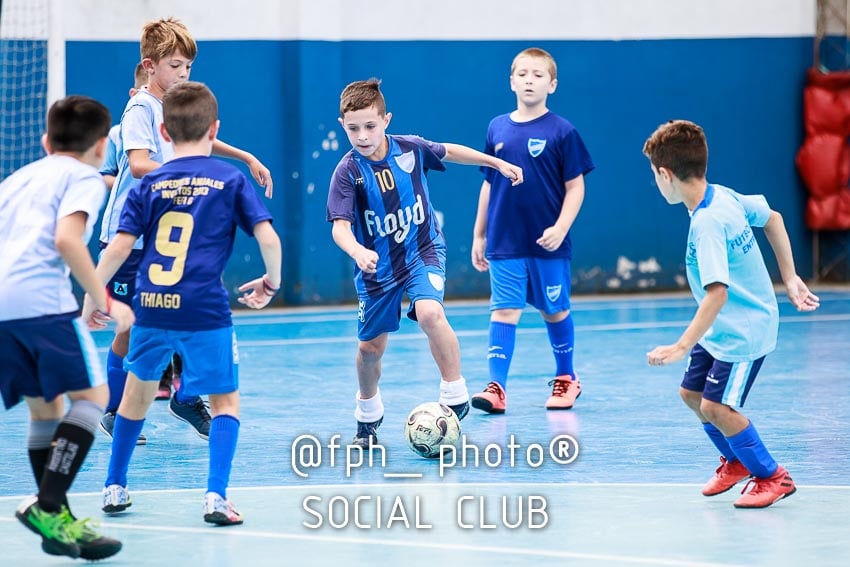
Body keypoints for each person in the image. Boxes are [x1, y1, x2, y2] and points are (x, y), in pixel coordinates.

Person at [84, 81, 282, 525]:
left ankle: (114, 486)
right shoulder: (229, 178)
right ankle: (216, 497)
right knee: (226, 402)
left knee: (134, 398)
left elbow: (117, 248)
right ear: (215, 129)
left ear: (164, 133)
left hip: (150, 305)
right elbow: (267, 236)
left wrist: (93, 296)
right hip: (204, 308)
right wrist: (272, 281)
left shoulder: (149, 181)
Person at [98, 17, 274, 443]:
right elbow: (139, 164)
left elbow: (198, 141)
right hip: (131, 235)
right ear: (150, 65)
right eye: (175, 66)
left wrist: (243, 156)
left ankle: (184, 396)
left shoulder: (172, 106)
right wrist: (190, 176)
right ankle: (114, 410)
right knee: (132, 327)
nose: (183, 75)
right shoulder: (140, 107)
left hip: (162, 237)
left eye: (188, 68)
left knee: (177, 311)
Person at [326, 78, 524, 448]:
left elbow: (450, 151)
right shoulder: (347, 172)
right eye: (353, 128)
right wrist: (357, 251)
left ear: (386, 119)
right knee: (370, 351)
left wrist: (496, 162)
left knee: (431, 313)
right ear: (343, 126)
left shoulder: (410, 149)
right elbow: (340, 229)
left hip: (422, 251)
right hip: (376, 268)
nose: (363, 135)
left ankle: (454, 394)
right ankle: (367, 414)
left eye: (370, 125)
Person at [642, 119, 820, 508]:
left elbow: (716, 294)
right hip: (723, 329)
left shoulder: (707, 222)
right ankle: (736, 461)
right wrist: (789, 278)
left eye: (655, 177)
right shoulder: (721, 195)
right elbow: (774, 218)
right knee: (691, 394)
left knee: (715, 406)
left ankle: (773, 476)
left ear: (665, 174)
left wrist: (680, 346)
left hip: (744, 330)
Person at [0, 96, 134, 560]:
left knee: (45, 410)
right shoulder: (83, 177)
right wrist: (105, 299)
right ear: (102, 147)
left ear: (45, 140)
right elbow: (66, 239)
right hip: (42, 303)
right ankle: (48, 504)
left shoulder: (17, 179)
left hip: (4, 307)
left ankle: (57, 523)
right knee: (93, 401)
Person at [469, 47, 595, 414]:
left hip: (547, 244)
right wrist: (479, 234)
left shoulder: (563, 131)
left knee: (554, 311)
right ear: (511, 81)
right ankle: (496, 388)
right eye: (522, 74)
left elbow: (576, 188)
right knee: (503, 311)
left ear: (552, 84)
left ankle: (566, 378)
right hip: (505, 242)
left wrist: (560, 227)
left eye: (538, 75)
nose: (529, 80)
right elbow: (489, 184)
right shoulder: (497, 127)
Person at [101, 62, 148, 190]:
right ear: (134, 94)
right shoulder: (116, 133)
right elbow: (104, 176)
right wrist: (133, 188)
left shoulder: (176, 134)